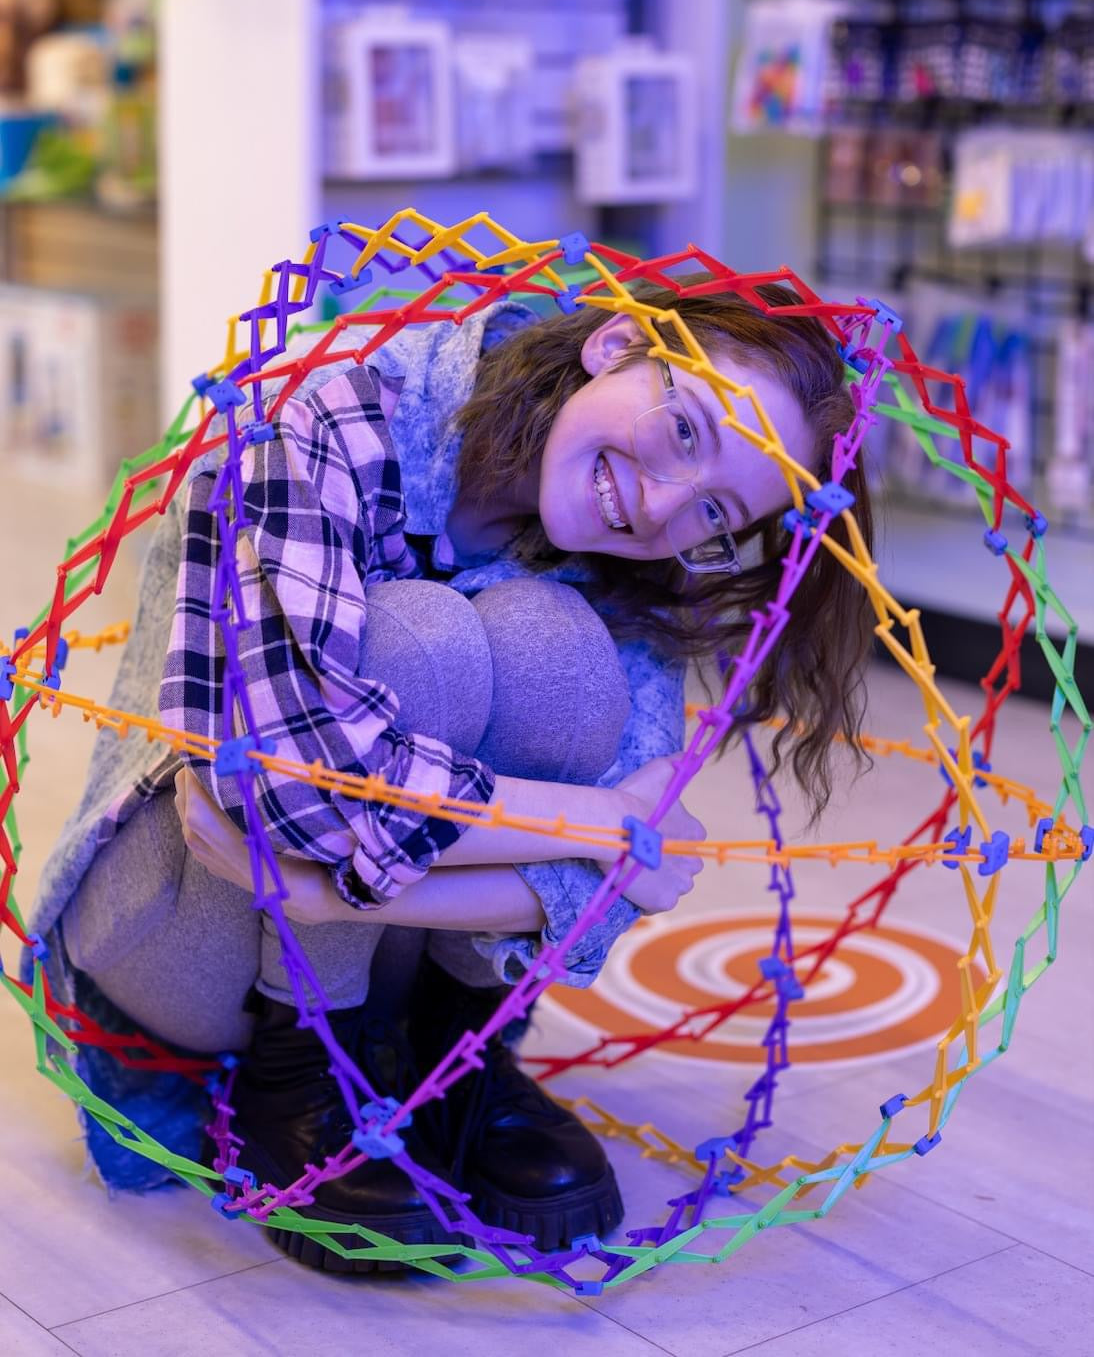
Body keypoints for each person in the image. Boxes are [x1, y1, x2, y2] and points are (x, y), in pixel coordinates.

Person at [27, 275, 874, 1274]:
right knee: (421, 635)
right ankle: (297, 1076)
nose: (660, 505)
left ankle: (452, 1059)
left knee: (552, 642)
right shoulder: (330, 406)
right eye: (685, 431)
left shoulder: (639, 556)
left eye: (717, 511)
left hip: (360, 924)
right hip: (186, 910)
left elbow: (610, 896)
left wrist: (322, 892)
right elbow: (286, 791)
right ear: (614, 345)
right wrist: (594, 818)